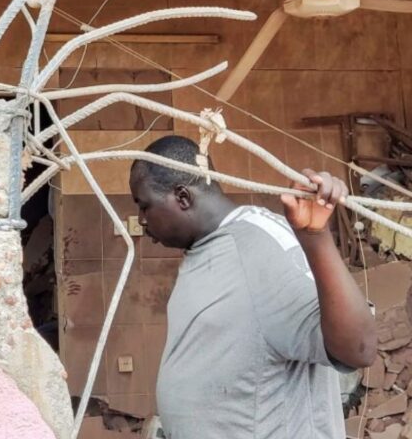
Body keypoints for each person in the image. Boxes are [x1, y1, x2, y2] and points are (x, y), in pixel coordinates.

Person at [129, 135, 375, 439]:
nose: (141, 220)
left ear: (182, 197)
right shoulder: (206, 248)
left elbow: (358, 349)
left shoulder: (260, 242)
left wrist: (316, 237)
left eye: (144, 206)